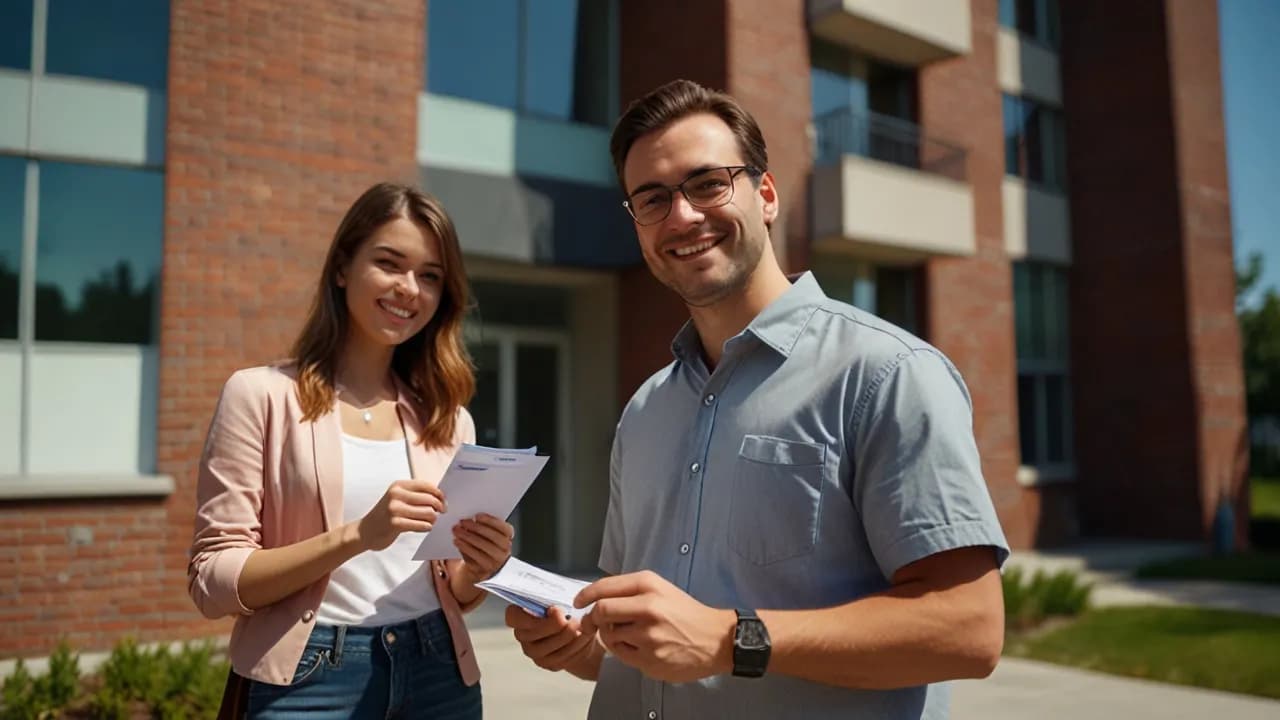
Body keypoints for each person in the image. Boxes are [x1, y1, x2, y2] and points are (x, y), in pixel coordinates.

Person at [505, 79, 1010, 719]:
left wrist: (728, 641)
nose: (682, 216)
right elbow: (645, 647)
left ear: (765, 195)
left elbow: (967, 629)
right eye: (652, 199)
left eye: (708, 183)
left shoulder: (888, 375)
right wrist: (578, 645)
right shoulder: (646, 410)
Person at [188, 182, 512, 719]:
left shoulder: (450, 420)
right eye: (390, 263)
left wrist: (481, 567)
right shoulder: (259, 396)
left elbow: (454, 589)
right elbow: (213, 581)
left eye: (430, 276)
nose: (410, 288)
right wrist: (358, 535)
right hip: (310, 677)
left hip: (438, 671)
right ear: (342, 267)